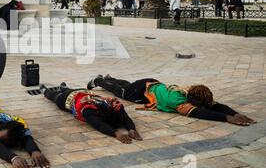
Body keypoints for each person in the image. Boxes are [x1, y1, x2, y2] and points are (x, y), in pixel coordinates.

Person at [87, 75, 257, 126]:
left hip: (151, 84)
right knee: (121, 91)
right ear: (193, 101)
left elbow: (214, 105)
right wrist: (226, 118)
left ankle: (111, 77)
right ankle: (100, 81)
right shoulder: (178, 100)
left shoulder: (192, 92)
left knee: (126, 86)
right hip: (142, 90)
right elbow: (198, 112)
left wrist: (235, 113)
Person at [40, 83, 143, 144]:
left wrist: (131, 128)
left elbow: (125, 117)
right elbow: (99, 125)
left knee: (71, 90)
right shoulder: (88, 110)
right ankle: (45, 91)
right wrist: (116, 133)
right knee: (54, 96)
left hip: (83, 92)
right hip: (68, 99)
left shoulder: (113, 105)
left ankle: (64, 88)